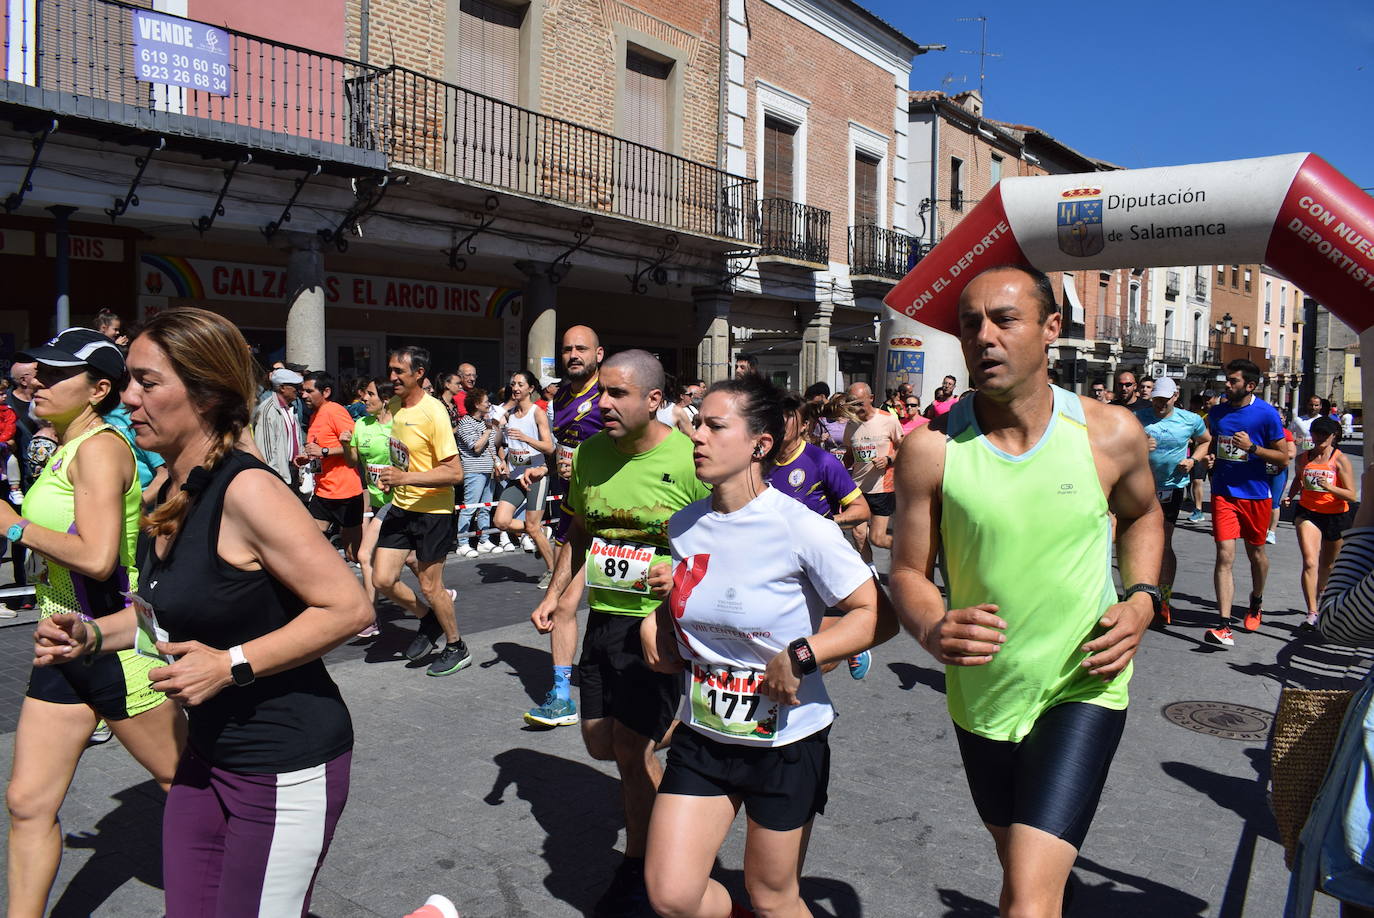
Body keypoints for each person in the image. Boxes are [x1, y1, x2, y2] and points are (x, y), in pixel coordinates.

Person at [33, 307, 370, 915]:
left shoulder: (249, 491)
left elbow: (349, 607)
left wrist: (231, 665)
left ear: (207, 393)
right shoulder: (165, 490)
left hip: (285, 763)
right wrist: (87, 635)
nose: (127, 398)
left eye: (147, 382)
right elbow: (161, 619)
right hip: (206, 759)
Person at [890, 264, 1162, 918]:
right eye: (969, 323)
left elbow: (1146, 516)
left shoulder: (1109, 433)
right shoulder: (931, 449)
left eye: (1004, 320)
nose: (983, 336)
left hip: (1083, 685)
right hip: (984, 693)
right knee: (1022, 874)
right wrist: (931, 625)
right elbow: (906, 571)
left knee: (1028, 901)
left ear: (1050, 330)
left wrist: (1143, 598)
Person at [639, 375, 895, 918]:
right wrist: (659, 613)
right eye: (696, 425)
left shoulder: (801, 526)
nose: (697, 438)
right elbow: (676, 634)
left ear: (759, 444)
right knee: (671, 894)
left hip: (786, 739)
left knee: (774, 898)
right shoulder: (684, 526)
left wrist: (802, 654)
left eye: (714, 426)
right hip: (706, 735)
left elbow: (879, 616)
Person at [5, 328, 185, 918]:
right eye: (40, 370)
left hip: (113, 642)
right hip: (61, 644)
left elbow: (99, 557)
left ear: (98, 389)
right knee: (28, 803)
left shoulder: (102, 447)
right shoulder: (63, 443)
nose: (38, 382)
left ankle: (241, 892)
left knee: (184, 787)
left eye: (56, 375)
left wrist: (10, 524)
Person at [530, 349, 709, 915]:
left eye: (617, 394)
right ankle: (686, 736)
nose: (602, 404)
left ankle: (640, 866)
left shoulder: (689, 461)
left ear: (654, 400)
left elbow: (724, 545)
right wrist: (557, 596)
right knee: (600, 742)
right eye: (600, 393)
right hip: (606, 619)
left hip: (661, 627)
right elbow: (580, 531)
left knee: (631, 751)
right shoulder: (587, 456)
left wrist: (679, 581)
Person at [523, 325, 605, 728]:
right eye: (567, 349)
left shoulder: (609, 394)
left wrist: (586, 462)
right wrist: (545, 467)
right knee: (563, 604)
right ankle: (560, 695)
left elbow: (632, 447)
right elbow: (565, 448)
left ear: (599, 353)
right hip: (574, 517)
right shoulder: (563, 396)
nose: (574, 354)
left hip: (616, 521)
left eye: (581, 349)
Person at [373, 345, 469, 677]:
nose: (392, 377)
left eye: (399, 371)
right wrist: (391, 478)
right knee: (382, 579)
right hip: (401, 505)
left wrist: (406, 477)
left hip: (433, 511)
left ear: (419, 374)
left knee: (431, 587)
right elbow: (404, 456)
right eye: (390, 369)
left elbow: (455, 473)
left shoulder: (434, 412)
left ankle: (456, 646)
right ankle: (428, 620)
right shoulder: (396, 407)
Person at [1204, 359, 1288, 646]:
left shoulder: (1266, 415)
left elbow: (1283, 457)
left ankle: (1256, 600)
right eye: (1227, 379)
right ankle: (1224, 625)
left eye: (1233, 381)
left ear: (1250, 385)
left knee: (1256, 555)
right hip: (1223, 492)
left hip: (1255, 494)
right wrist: (1210, 456)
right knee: (1225, 555)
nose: (1227, 384)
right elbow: (1213, 442)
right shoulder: (1217, 413)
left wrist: (1252, 448)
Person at [1142, 376, 1211, 625]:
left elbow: (1205, 441)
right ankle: (1140, 595)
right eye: (1156, 399)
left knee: (1164, 543)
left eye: (1164, 399)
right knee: (1139, 542)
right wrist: (1139, 444)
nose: (1159, 404)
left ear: (1175, 397)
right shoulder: (1139, 418)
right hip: (1142, 487)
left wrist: (1193, 460)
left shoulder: (1190, 420)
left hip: (1171, 487)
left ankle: (1164, 598)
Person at [1286, 416, 1357, 631]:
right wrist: (1290, 495)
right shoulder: (1303, 458)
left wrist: (1330, 487)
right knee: (1310, 562)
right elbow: (1299, 479)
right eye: (1317, 433)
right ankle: (1312, 612)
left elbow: (1351, 495)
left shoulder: (1340, 459)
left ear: (1334, 435)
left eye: (1325, 434)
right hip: (1308, 513)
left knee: (1328, 565)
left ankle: (1322, 600)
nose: (1320, 438)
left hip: (1336, 515)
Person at [492, 370, 556, 585]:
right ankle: (542, 531)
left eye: (520, 384)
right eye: (513, 384)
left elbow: (549, 447)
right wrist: (502, 461)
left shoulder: (537, 413)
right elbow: (501, 444)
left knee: (531, 525)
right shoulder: (508, 415)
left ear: (530, 388)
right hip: (515, 476)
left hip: (536, 476)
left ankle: (552, 570)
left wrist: (526, 438)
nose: (516, 388)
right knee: (500, 521)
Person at [349, 375, 396, 637]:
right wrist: (346, 444)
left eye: (370, 394)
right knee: (411, 560)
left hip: (400, 502)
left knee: (365, 556)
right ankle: (436, 593)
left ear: (385, 400)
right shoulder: (361, 425)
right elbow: (353, 461)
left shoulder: (400, 428)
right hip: (378, 503)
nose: (364, 398)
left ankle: (370, 618)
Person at [301, 371, 365, 562]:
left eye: (309, 391)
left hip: (345, 492)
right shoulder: (314, 415)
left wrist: (325, 452)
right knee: (311, 542)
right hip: (322, 491)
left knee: (354, 554)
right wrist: (307, 456)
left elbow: (355, 445)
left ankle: (375, 584)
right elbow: (318, 446)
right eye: (302, 391)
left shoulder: (335, 411)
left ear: (326, 392)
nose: (303, 395)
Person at [842, 381, 904, 572]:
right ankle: (871, 575)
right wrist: (837, 470)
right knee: (859, 535)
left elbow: (904, 447)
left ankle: (906, 550)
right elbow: (850, 455)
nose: (856, 408)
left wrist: (889, 459)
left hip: (881, 487)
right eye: (852, 403)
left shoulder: (888, 420)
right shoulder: (851, 424)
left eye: (860, 403)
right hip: (857, 488)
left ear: (871, 399)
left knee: (877, 538)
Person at [454, 386, 500, 557]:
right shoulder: (465, 423)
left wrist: (497, 463)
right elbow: (476, 447)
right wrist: (488, 430)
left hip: (489, 470)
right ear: (476, 404)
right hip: (474, 470)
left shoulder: (484, 422)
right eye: (486, 401)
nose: (489, 403)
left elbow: (491, 447)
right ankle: (463, 542)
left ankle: (484, 540)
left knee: (486, 507)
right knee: (470, 507)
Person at [251, 367, 304, 487]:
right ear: (282, 388)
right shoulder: (268, 410)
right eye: (294, 386)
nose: (299, 390)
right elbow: (266, 450)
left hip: (293, 471)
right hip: (281, 476)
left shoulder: (291, 408)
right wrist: (277, 479)